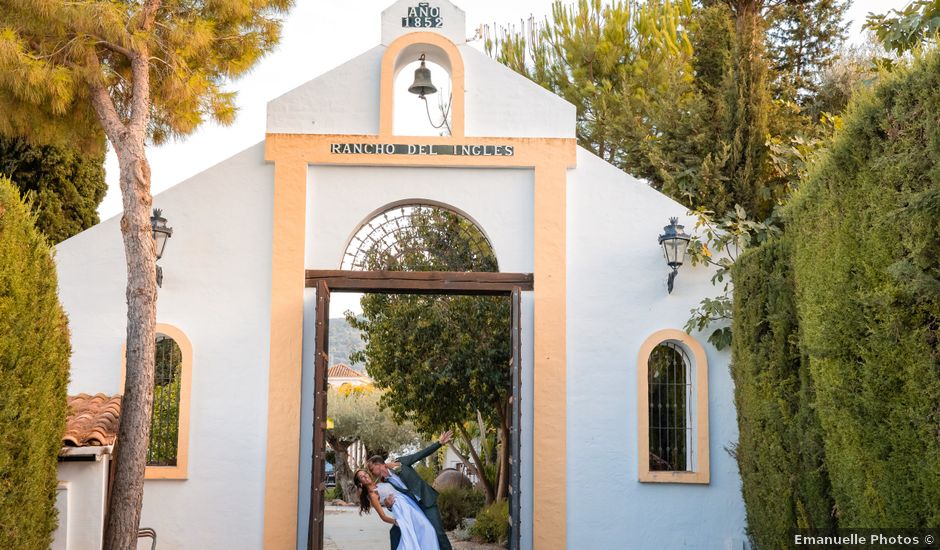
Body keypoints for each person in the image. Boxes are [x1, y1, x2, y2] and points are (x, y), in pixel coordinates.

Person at [368, 431, 454, 550]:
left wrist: (439, 443)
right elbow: (391, 501)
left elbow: (420, 455)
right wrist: (389, 505)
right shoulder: (384, 483)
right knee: (396, 533)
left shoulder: (400, 463)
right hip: (412, 509)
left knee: (438, 533)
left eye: (372, 469)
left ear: (379, 465)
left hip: (426, 501)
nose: (371, 473)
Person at [354, 469, 439, 550]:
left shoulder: (380, 482)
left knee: (426, 529)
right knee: (413, 535)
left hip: (409, 504)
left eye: (365, 474)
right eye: (362, 477)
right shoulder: (373, 495)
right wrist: (396, 522)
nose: (365, 476)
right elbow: (383, 516)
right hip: (401, 510)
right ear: (360, 483)